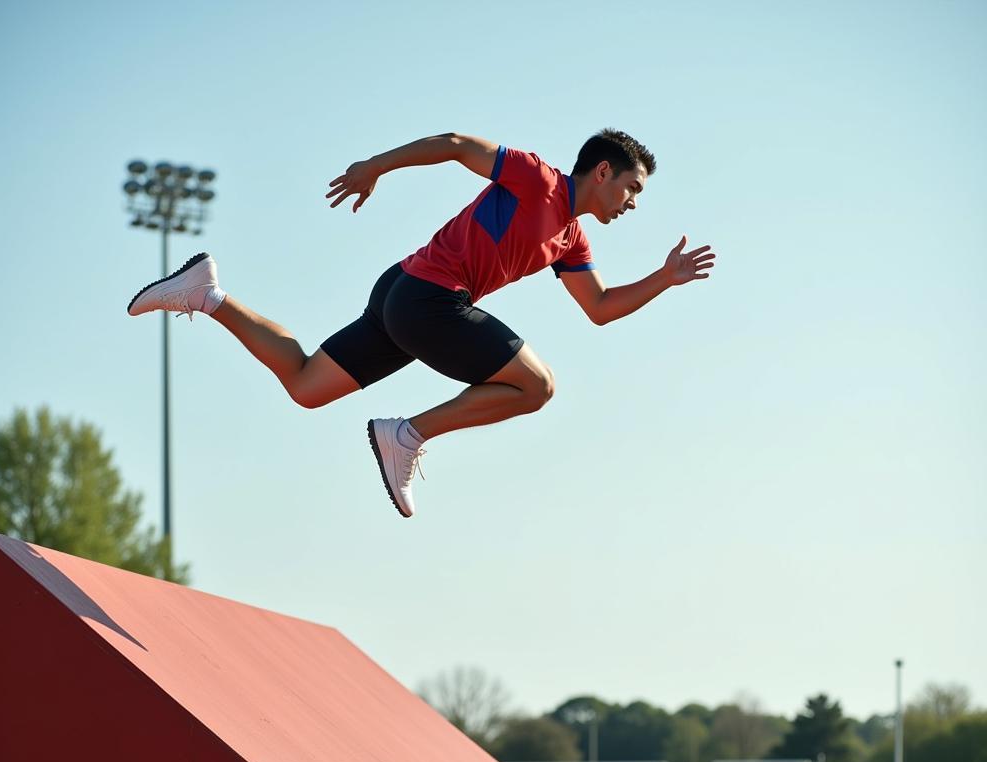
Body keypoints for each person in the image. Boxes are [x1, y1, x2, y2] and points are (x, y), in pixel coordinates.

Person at [127, 129, 716, 518]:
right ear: (604, 171)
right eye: (632, 188)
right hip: (426, 298)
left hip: (405, 296)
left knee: (307, 386)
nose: (633, 202)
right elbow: (459, 145)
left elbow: (601, 307)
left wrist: (663, 279)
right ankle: (406, 435)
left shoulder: (571, 238)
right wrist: (376, 167)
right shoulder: (537, 179)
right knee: (537, 387)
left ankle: (208, 295)